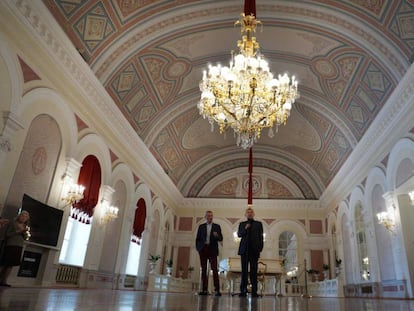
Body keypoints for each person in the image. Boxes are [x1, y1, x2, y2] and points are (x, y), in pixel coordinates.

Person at [195, 210, 223, 296]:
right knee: (203, 270)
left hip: (212, 250)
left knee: (214, 269)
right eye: (208, 216)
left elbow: (221, 238)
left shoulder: (217, 226)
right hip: (203, 249)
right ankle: (204, 290)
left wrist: (217, 236)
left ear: (212, 217)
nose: (210, 217)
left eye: (211, 216)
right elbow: (198, 239)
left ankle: (217, 290)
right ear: (205, 217)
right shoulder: (201, 226)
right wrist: (199, 248)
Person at [237, 207, 263, 298]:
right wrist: (245, 228)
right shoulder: (242, 224)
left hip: (254, 251)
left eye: (251, 212)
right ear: (245, 214)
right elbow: (239, 234)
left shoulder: (258, 224)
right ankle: (243, 290)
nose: (250, 213)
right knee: (244, 271)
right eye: (248, 212)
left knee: (253, 272)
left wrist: (260, 249)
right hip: (244, 250)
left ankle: (254, 292)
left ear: (253, 214)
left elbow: (261, 237)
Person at [0, 210, 30, 287]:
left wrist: (25, 234)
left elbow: (24, 237)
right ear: (19, 215)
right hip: (11, 245)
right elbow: (7, 234)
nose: (24, 218)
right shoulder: (12, 223)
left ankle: (4, 281)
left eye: (26, 217)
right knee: (4, 263)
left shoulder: (24, 226)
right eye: (23, 216)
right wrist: (19, 231)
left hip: (19, 246)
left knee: (11, 265)